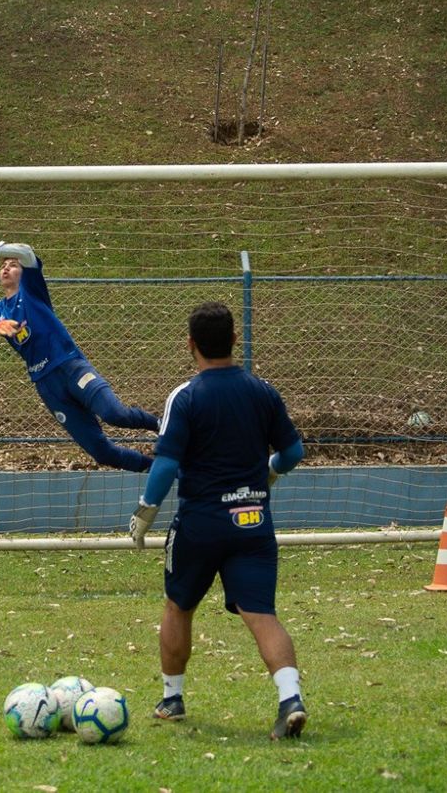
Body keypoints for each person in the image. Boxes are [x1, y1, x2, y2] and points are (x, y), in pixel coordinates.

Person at [127, 301, 308, 740]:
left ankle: (172, 698)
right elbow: (294, 452)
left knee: (178, 606)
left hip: (201, 524)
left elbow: (167, 464)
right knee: (262, 614)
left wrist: (145, 511)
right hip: (253, 523)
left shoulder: (185, 396)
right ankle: (290, 698)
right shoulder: (263, 391)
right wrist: (269, 471)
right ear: (233, 340)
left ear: (190, 345)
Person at [0, 238, 159, 473]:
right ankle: (160, 469)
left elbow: (26, 252)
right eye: (2, 265)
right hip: (47, 386)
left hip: (70, 366)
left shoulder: (31, 289)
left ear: (23, 271)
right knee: (101, 452)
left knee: (114, 414)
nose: (6, 268)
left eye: (12, 264)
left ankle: (164, 426)